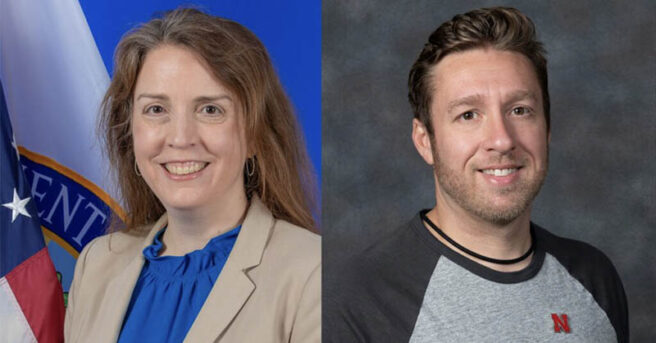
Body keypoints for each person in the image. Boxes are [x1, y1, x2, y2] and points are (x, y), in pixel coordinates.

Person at [325, 7, 628, 342]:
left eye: (520, 110)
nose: (501, 139)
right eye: (469, 115)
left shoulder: (594, 277)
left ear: (547, 129)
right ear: (425, 141)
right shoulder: (360, 300)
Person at [64, 8, 320, 343]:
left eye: (210, 109)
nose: (181, 137)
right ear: (131, 133)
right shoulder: (97, 264)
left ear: (255, 134)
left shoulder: (312, 273)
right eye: (156, 109)